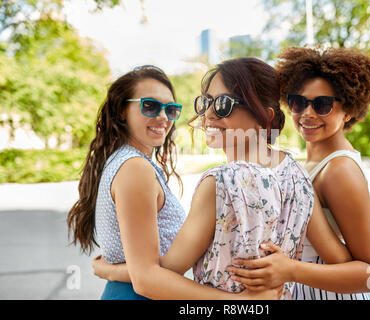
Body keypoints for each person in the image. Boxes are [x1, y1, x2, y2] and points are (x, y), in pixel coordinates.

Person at [91, 57, 352, 299]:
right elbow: (343, 264)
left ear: (265, 117)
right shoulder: (298, 178)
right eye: (206, 102)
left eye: (224, 104)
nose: (208, 114)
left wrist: (110, 271)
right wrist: (291, 269)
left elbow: (157, 275)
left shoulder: (221, 183)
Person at [67, 65, 279, 300]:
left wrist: (111, 270)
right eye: (150, 106)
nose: (162, 117)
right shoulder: (134, 168)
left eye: (171, 109)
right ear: (121, 110)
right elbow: (146, 279)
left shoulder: (126, 162)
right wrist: (243, 302)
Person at [226, 47, 370, 300]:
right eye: (298, 102)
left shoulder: (339, 170)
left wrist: (290, 270)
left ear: (349, 111)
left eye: (323, 104)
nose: (308, 113)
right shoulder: (310, 165)